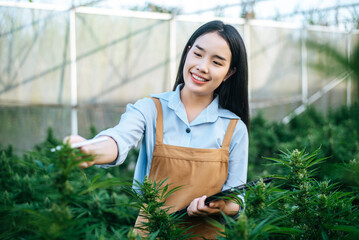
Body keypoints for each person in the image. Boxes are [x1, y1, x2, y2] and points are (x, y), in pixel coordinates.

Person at [66, 20, 249, 239]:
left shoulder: (234, 128)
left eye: (217, 62)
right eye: (198, 54)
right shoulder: (151, 108)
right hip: (151, 234)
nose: (202, 66)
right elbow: (119, 139)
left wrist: (220, 206)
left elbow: (237, 200)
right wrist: (90, 150)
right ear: (188, 52)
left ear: (229, 73)